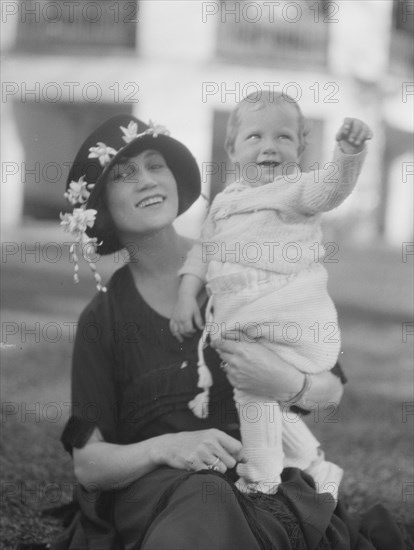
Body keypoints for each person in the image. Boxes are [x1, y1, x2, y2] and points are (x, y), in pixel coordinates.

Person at [49, 113, 404, 550]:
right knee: (202, 497)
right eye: (124, 174)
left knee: (232, 504)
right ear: (101, 204)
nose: (146, 181)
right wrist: (167, 447)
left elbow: (330, 392)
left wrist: (285, 383)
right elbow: (88, 465)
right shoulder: (101, 321)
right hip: (161, 494)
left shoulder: (244, 270)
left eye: (155, 165)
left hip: (260, 477)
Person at [170, 91, 373, 496]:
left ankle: (262, 477)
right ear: (231, 148)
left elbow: (331, 189)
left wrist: (347, 155)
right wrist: (185, 295)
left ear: (301, 146)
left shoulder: (296, 190)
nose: (269, 147)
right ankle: (313, 462)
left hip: (287, 316)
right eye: (255, 137)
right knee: (266, 396)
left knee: (254, 393)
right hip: (248, 318)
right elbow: (203, 251)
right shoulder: (225, 202)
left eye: (283, 137)